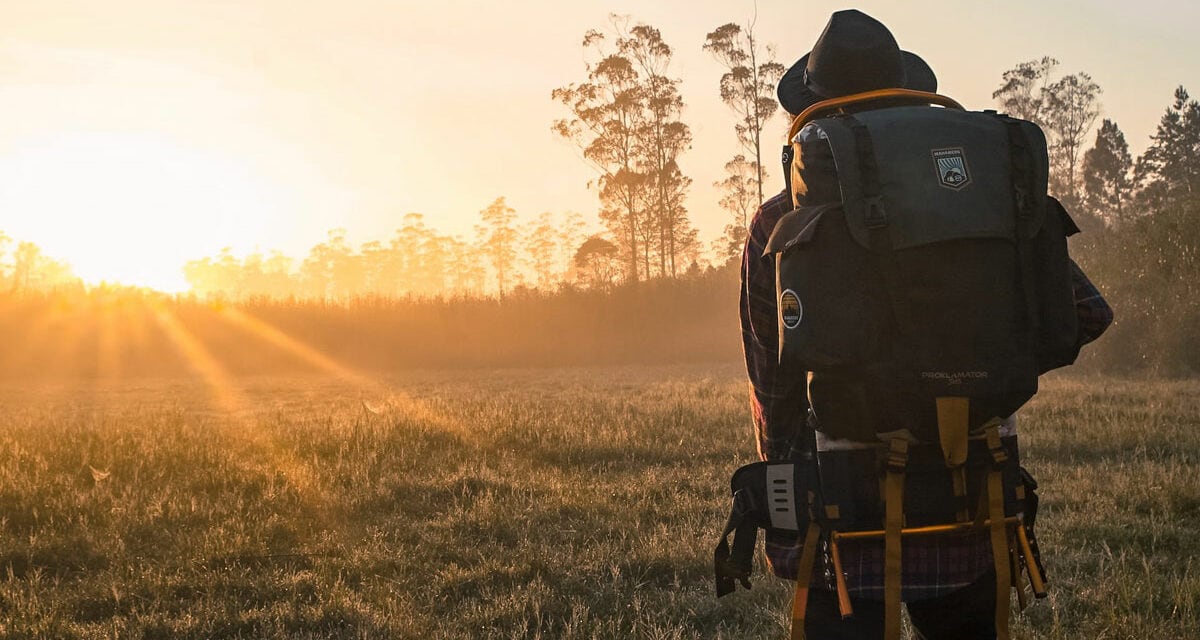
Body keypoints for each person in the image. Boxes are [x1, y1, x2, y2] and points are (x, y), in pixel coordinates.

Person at [738, 10, 1113, 639]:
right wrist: (976, 365)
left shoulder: (779, 219)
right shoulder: (986, 198)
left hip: (844, 512)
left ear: (818, 107)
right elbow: (1087, 313)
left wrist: (783, 494)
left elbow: (772, 380)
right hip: (974, 499)